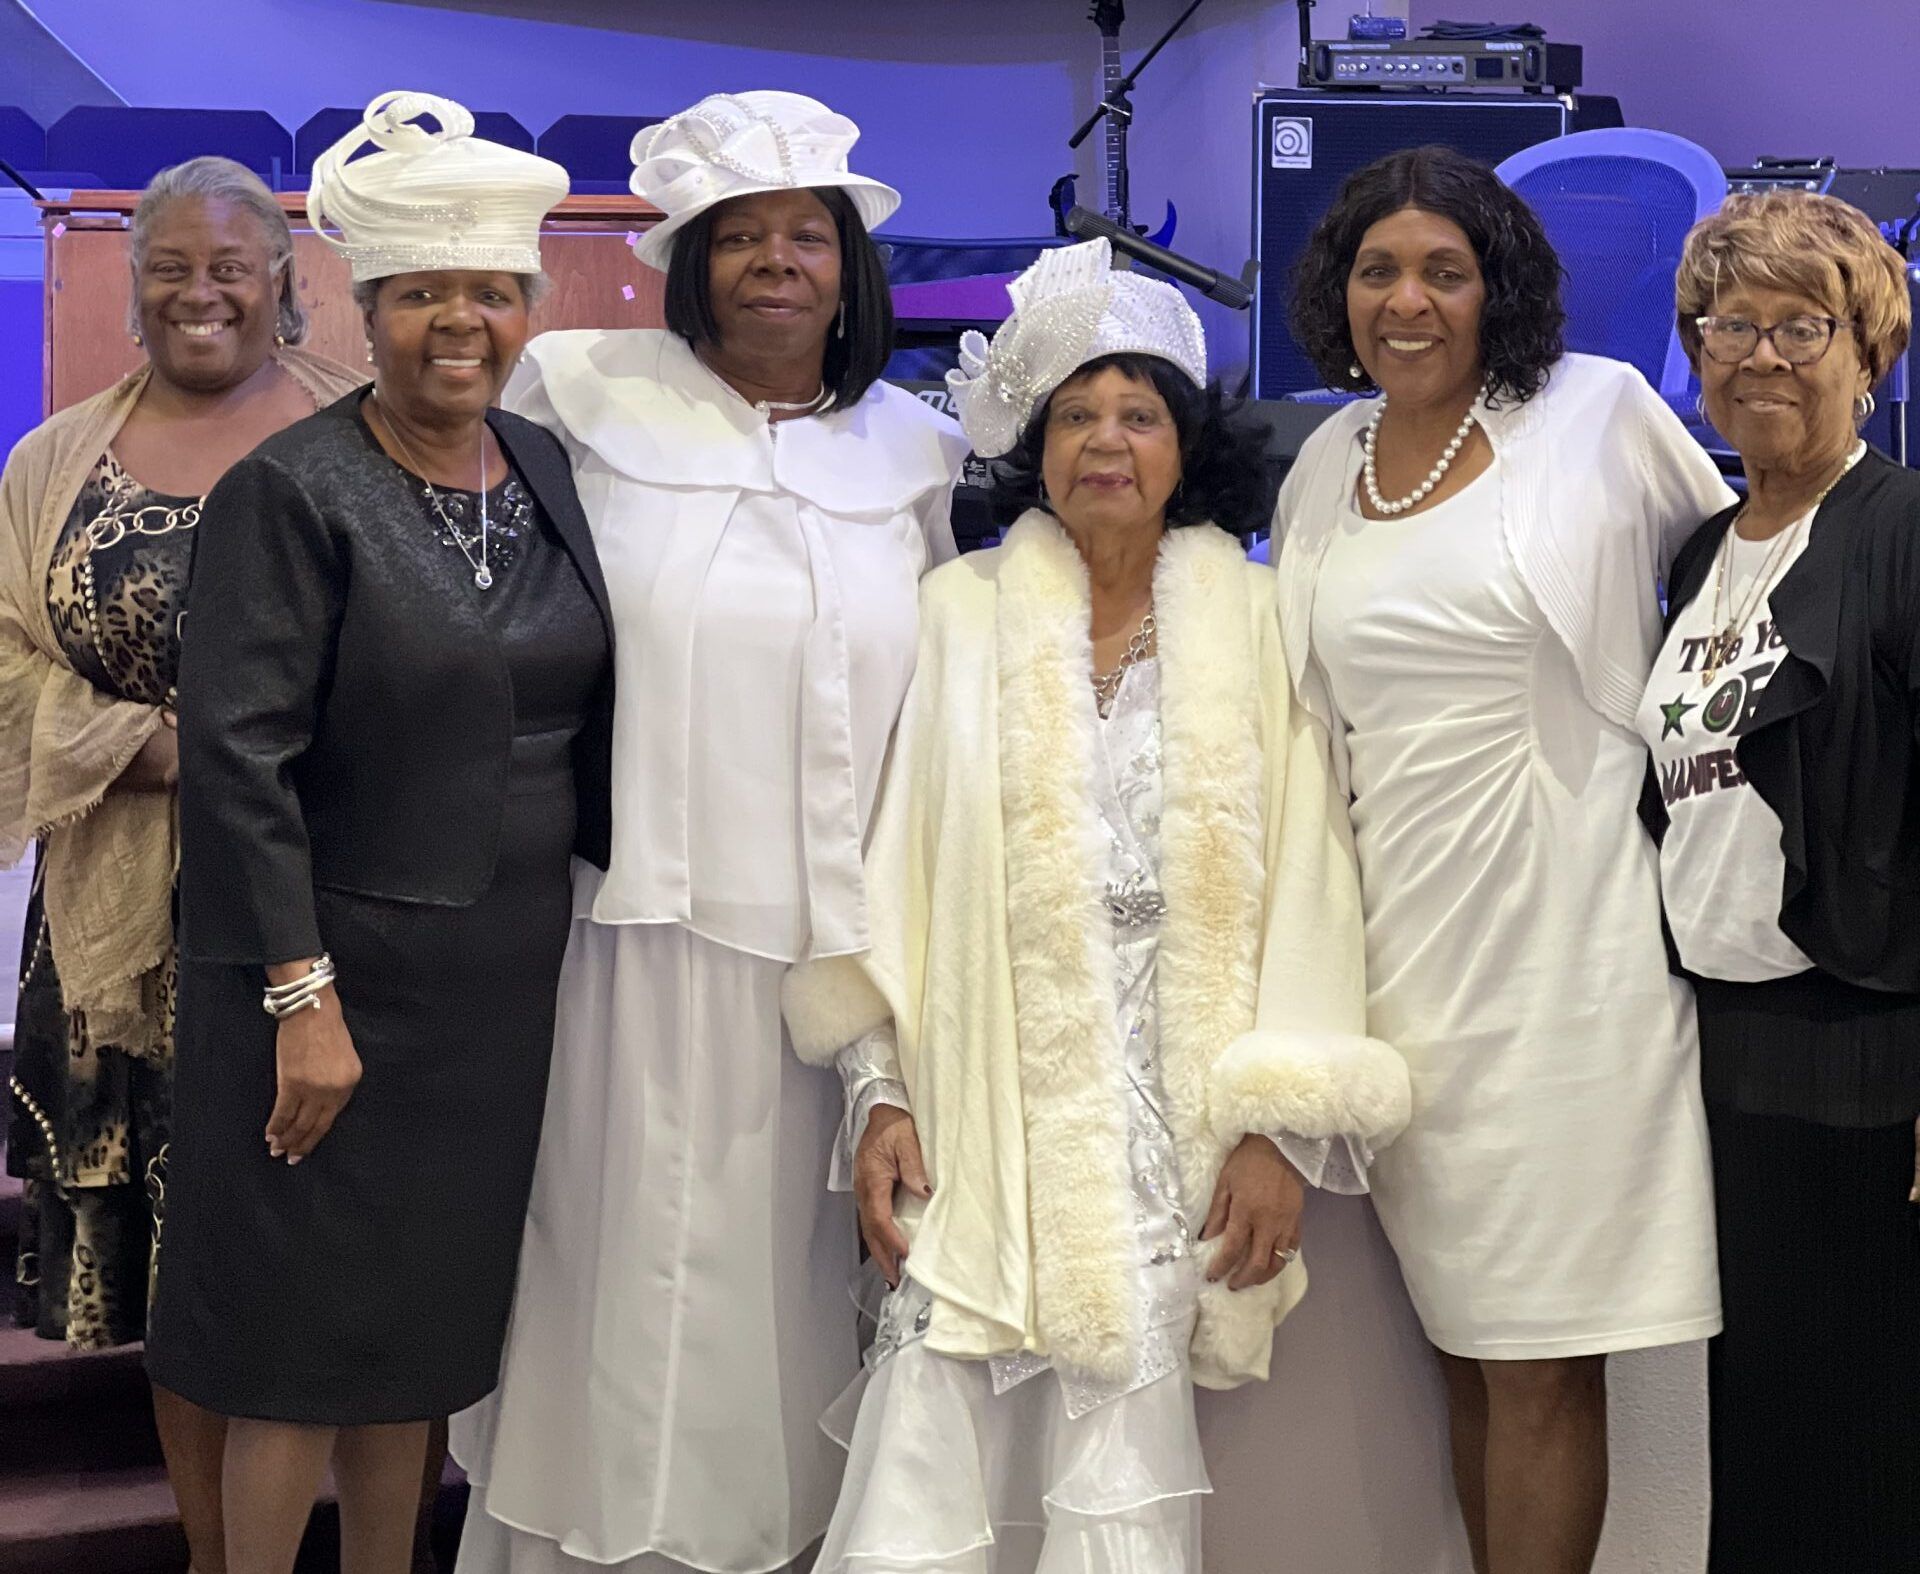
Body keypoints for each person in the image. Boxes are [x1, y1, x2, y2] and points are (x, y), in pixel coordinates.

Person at [774, 238, 1410, 1573]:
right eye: (1074, 413)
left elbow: (1315, 878)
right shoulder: (960, 613)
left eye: (1136, 413)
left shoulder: (1257, 619)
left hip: (1177, 1114)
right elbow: (886, 866)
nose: (1104, 442)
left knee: (1121, 1442)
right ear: (1033, 445)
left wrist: (1280, 1127)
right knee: (932, 1417)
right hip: (983, 1094)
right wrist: (876, 1088)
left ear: (1187, 444)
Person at [449, 91, 969, 1574]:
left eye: (807, 235)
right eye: (738, 237)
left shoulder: (916, 454)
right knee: (616, 1274)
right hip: (625, 934)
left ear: (852, 268)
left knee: (788, 1303)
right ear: (687, 259)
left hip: (836, 966)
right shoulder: (581, 394)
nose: (774, 263)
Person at [140, 93, 609, 1574]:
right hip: (325, 993)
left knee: (413, 1356)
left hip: (488, 1000)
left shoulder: (544, 472)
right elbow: (235, 763)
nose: (456, 323)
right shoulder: (292, 489)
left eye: (488, 292)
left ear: (529, 308)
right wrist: (301, 997)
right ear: (366, 307)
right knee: (293, 1355)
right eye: (421, 297)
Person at [1274, 145, 1733, 1574]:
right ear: (1338, 291)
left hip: (1572, 952)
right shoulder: (1320, 462)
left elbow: (1744, 570)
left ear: (1500, 290)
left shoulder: (1594, 413)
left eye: (1444, 272)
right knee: (1466, 1344)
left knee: (1542, 1359)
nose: (1407, 301)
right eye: (1377, 270)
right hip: (1408, 960)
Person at [0, 153, 361, 1570]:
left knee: (317, 1257)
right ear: (133, 287)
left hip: (330, 913)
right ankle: (219, 1551)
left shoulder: (362, 431)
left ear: (285, 280)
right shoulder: (53, 462)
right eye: (171, 267)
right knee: (172, 1269)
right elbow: (7, 667)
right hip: (114, 926)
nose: (201, 291)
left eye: (231, 265)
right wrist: (155, 747)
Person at [1634, 189, 1920, 1571]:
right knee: (1758, 1433)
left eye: (1801, 325)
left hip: (1871, 1059)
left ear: (1869, 349)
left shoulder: (1901, 531)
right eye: (1729, 324)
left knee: (1870, 1442)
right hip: (1727, 1057)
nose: (1759, 355)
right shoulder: (1700, 555)